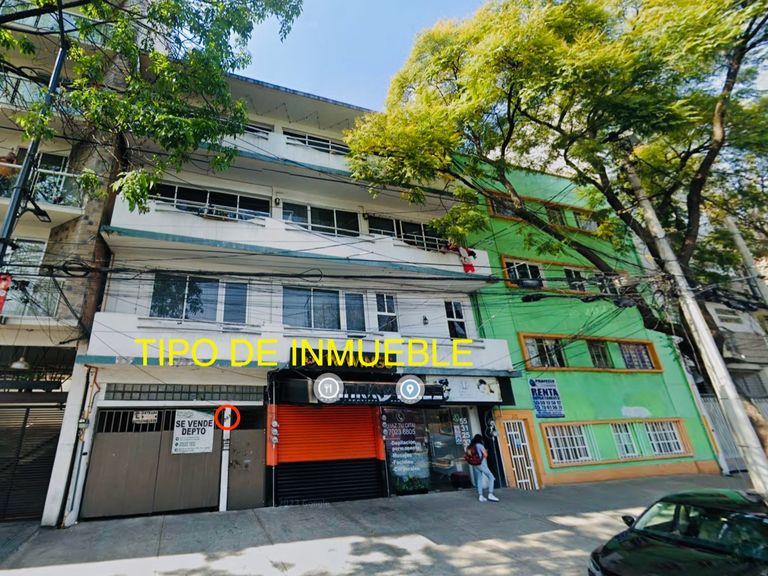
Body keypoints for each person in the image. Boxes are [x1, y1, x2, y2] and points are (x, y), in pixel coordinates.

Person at [468, 434, 498, 502]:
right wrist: (485, 451)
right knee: (491, 477)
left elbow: (469, 455)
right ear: (480, 439)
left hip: (475, 464)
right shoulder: (480, 445)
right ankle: (490, 494)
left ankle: (480, 496)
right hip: (481, 464)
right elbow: (485, 455)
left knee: (479, 479)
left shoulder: (471, 446)